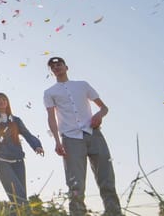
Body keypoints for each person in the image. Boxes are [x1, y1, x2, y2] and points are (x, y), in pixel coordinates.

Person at [44, 57, 122, 216]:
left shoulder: (83, 85)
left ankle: (114, 212)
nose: (56, 67)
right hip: (71, 139)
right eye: (53, 66)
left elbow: (104, 108)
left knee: (106, 178)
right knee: (75, 183)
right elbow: (51, 118)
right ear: (52, 72)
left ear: (66, 67)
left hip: (94, 135)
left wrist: (99, 115)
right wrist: (57, 141)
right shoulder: (49, 92)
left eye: (59, 64)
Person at [0, 92, 44, 214]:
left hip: (18, 161)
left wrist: (37, 145)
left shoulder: (16, 120)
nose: (1, 101)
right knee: (19, 197)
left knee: (18, 199)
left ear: (7, 102)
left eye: (4, 99)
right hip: (1, 160)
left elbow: (27, 134)